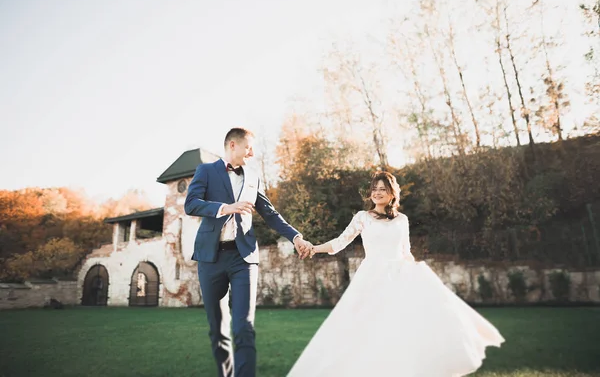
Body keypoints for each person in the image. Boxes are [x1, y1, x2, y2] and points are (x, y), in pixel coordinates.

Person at [287, 171, 504, 377]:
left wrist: (416, 274)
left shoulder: (402, 220)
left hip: (399, 277)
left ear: (392, 193)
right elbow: (339, 243)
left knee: (402, 329)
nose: (377, 192)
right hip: (371, 278)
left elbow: (405, 251)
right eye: (374, 188)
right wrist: (315, 248)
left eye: (382, 188)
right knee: (368, 329)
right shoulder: (363, 217)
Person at [184, 127, 313, 377]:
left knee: (244, 326)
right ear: (233, 145)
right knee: (218, 329)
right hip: (210, 258)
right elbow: (191, 204)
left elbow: (270, 214)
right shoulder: (206, 170)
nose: (251, 153)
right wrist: (226, 207)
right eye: (248, 147)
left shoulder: (253, 177)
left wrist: (296, 236)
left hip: (244, 258)